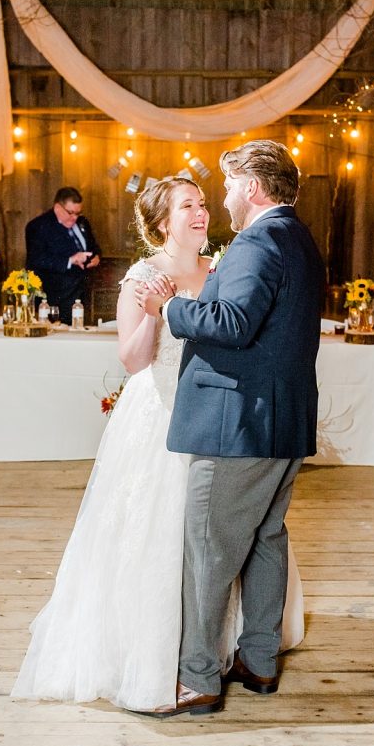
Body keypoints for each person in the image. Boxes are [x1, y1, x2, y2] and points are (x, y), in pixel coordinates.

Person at [12, 177, 305, 711]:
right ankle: (158, 648)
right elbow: (132, 359)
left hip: (217, 414)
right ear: (162, 224)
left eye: (201, 204)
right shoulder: (144, 276)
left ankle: (221, 649)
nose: (200, 213)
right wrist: (154, 314)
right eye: (186, 207)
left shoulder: (221, 267)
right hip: (161, 412)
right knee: (166, 533)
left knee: (219, 535)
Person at [133, 141, 325, 717]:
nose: (222, 198)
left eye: (227, 185)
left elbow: (234, 323)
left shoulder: (258, 241)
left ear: (252, 187)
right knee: (266, 540)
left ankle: (198, 680)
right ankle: (259, 659)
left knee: (209, 552)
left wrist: (168, 309)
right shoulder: (298, 238)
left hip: (238, 425)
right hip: (282, 420)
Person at [24, 186, 101, 317]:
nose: (75, 218)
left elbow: (93, 246)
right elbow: (36, 259)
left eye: (78, 213)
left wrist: (97, 257)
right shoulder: (38, 226)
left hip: (83, 294)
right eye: (70, 213)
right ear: (58, 207)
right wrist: (70, 260)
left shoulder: (82, 222)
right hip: (56, 297)